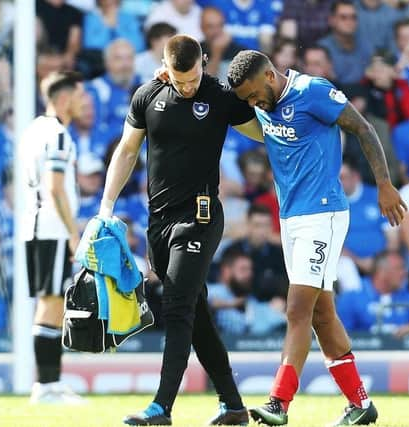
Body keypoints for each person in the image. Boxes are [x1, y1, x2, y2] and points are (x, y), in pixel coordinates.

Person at [227, 50, 406, 426]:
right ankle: (360, 404)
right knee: (323, 315)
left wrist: (384, 184)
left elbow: (363, 128)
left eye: (254, 95)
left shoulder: (313, 92)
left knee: (296, 309)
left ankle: (279, 402)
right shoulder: (262, 102)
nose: (253, 104)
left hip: (323, 213)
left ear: (270, 77)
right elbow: (240, 113)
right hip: (291, 218)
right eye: (246, 100)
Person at [97, 35, 262, 425]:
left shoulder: (220, 96)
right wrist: (106, 207)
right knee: (195, 312)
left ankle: (162, 407)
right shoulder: (147, 95)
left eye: (192, 78)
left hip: (200, 217)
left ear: (204, 62)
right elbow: (126, 150)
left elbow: (263, 130)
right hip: (160, 222)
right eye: (179, 80)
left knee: (176, 308)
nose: (187, 87)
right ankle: (233, 406)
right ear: (165, 68)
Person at [18, 71, 85, 404]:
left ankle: (50, 383)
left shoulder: (33, 131)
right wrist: (74, 234)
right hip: (52, 229)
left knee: (51, 303)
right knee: (51, 304)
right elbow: (55, 187)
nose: (83, 101)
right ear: (64, 98)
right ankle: (45, 386)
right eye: (79, 95)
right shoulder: (58, 134)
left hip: (34, 227)